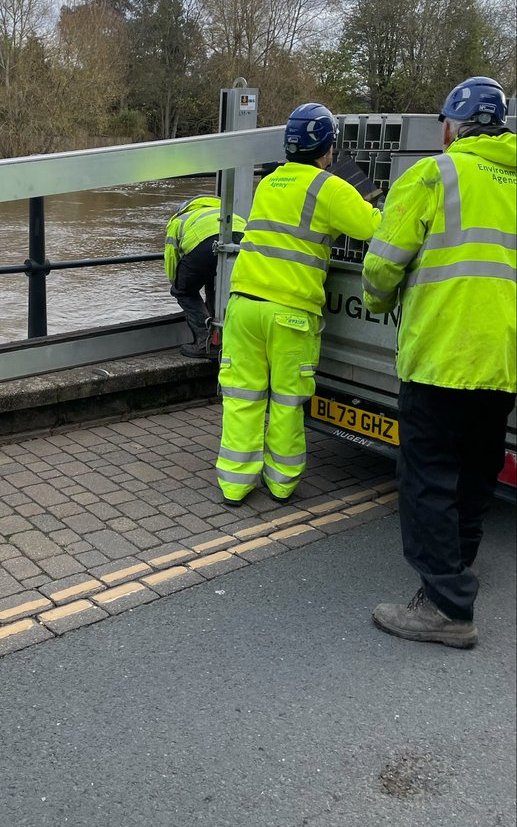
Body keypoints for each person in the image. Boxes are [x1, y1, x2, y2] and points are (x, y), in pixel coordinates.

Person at [365, 76, 516, 648]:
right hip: (503, 359)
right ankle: (460, 569)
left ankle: (447, 607)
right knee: (478, 468)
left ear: (451, 127)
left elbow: (381, 267)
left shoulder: (434, 174)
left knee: (427, 474)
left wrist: (381, 302)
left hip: (441, 355)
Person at [216, 103, 382, 504]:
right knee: (287, 402)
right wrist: (364, 193)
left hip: (242, 304)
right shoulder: (330, 187)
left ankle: (235, 484)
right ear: (328, 148)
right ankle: (281, 483)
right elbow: (376, 229)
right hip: (290, 312)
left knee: (242, 396)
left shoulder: (268, 183)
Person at [164, 195, 246, 358]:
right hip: (242, 239)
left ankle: (205, 341)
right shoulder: (226, 211)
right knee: (219, 285)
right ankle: (227, 339)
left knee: (184, 292)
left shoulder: (179, 220)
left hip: (205, 243)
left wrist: (177, 285)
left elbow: (172, 259)